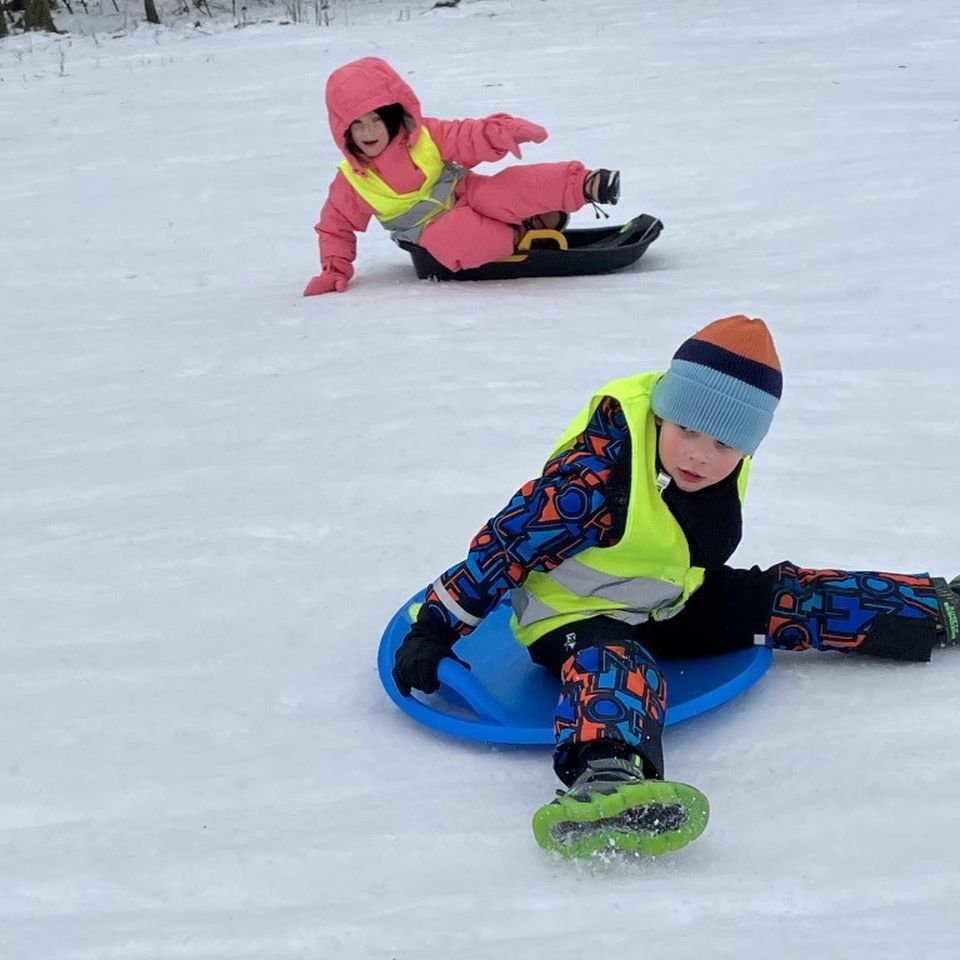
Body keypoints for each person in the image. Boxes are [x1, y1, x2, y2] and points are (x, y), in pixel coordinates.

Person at [391, 314, 960, 858]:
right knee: (617, 665)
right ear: (665, 411)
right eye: (687, 430)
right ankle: (607, 779)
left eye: (724, 446)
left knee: (787, 597)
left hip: (668, 598)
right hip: (572, 613)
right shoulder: (594, 479)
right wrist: (434, 627)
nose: (700, 456)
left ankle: (938, 607)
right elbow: (505, 547)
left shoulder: (717, 451)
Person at [303, 56, 621, 295]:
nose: (368, 132)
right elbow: (334, 227)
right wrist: (334, 270)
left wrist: (499, 133)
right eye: (357, 124)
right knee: (459, 240)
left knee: (506, 190)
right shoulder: (352, 182)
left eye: (375, 120)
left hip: (464, 191)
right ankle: (523, 229)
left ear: (391, 116)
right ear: (343, 130)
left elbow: (465, 136)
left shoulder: (424, 136)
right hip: (426, 230)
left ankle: (585, 184)